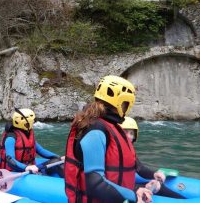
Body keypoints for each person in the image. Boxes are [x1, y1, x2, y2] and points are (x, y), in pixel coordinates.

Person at [64, 75, 152, 203]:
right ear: (120, 101)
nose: (127, 108)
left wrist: (136, 189)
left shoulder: (111, 126)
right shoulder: (95, 130)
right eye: (126, 103)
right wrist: (133, 195)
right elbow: (96, 184)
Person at [120, 117, 185, 199]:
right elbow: (111, 183)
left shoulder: (128, 151)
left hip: (127, 187)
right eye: (125, 132)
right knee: (157, 188)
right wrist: (138, 188)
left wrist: (154, 174)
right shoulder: (110, 153)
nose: (129, 136)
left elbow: (140, 169)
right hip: (119, 192)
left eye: (131, 133)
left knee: (158, 186)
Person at [0, 108, 64, 176]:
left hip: (30, 168)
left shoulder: (27, 134)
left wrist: (58, 157)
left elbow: (41, 150)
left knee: (57, 161)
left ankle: (70, 180)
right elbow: (10, 160)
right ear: (25, 123)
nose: (33, 122)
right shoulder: (11, 138)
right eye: (32, 121)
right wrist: (26, 167)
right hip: (15, 170)